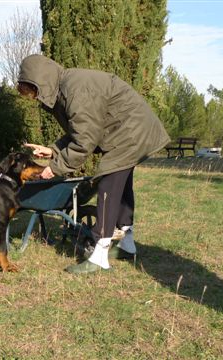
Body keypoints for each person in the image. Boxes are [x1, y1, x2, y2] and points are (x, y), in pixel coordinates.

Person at [18, 54, 170, 274]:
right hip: (129, 130)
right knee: (122, 186)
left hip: (130, 132)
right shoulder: (67, 86)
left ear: (41, 81)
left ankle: (99, 256)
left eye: (33, 91)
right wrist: (53, 150)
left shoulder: (77, 90)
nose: (34, 97)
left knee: (108, 184)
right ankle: (128, 245)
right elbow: (81, 130)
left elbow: (85, 141)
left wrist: (55, 168)